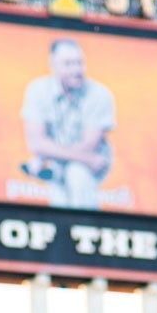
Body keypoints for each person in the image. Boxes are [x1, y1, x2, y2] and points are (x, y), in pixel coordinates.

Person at [19, 39, 115, 208]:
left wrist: (45, 157)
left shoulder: (100, 94)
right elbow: (36, 143)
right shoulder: (37, 90)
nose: (76, 70)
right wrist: (86, 159)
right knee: (59, 201)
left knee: (77, 173)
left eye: (79, 63)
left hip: (86, 166)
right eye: (68, 64)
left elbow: (89, 145)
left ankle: (87, 229)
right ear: (53, 65)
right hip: (68, 162)